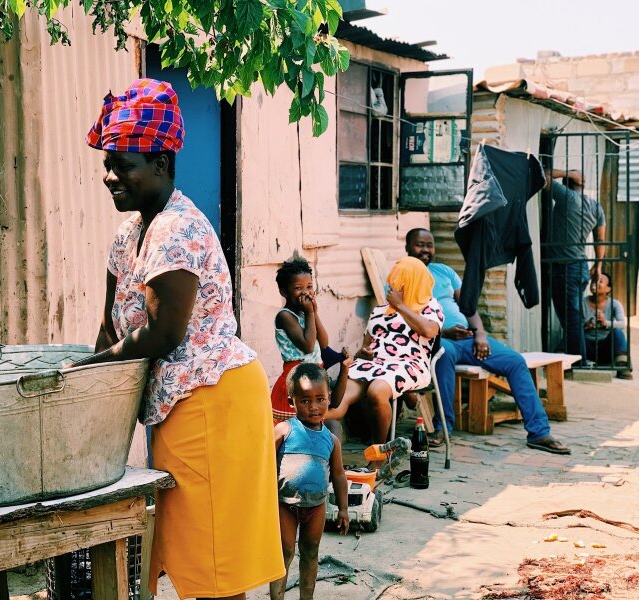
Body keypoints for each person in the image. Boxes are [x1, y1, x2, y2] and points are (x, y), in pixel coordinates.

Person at [79, 79, 284, 599]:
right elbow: (112, 326)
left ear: (162, 165)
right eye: (107, 164)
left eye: (123, 165)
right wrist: (89, 384)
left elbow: (163, 334)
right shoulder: (131, 232)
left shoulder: (178, 229)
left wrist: (98, 366)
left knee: (213, 567)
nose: (110, 176)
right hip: (178, 405)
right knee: (186, 553)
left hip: (212, 402)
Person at [405, 228, 571, 455]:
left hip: (467, 337)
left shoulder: (444, 272)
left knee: (514, 361)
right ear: (407, 248)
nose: (425, 250)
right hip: (437, 340)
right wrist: (442, 332)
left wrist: (480, 334)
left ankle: (539, 433)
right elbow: (402, 321)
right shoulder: (402, 277)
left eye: (429, 245)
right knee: (444, 355)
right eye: (419, 245)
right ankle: (444, 428)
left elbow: (469, 306)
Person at [325, 257, 444, 444]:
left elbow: (429, 331)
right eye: (392, 284)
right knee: (339, 399)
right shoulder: (380, 311)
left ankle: (379, 454)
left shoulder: (430, 308)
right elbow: (366, 344)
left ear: (414, 283)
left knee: (377, 391)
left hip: (409, 364)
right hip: (373, 364)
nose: (392, 289)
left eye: (399, 284)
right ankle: (293, 428)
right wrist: (362, 353)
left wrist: (401, 306)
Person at [270, 363, 349, 600]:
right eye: (305, 400)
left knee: (310, 551)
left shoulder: (331, 440)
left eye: (320, 399)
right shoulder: (284, 430)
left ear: (329, 398)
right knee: (284, 552)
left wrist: (344, 509)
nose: (314, 407)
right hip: (284, 503)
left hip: (316, 506)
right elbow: (264, 466)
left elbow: (338, 475)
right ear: (291, 400)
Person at [272, 258, 351, 426]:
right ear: (284, 292)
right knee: (296, 428)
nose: (306, 293)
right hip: (297, 378)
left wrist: (314, 312)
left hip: (314, 373)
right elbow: (308, 346)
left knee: (320, 422)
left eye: (309, 287)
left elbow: (323, 342)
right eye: (298, 288)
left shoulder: (306, 314)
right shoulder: (285, 316)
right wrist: (309, 314)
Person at [544, 169, 606, 362]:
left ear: (567, 184)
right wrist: (599, 265)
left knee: (571, 319)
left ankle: (579, 362)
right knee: (573, 318)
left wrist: (567, 172)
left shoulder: (567, 197)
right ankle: (578, 358)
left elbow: (541, 175)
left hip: (565, 268)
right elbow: (600, 239)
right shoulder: (596, 207)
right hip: (580, 267)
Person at [583, 272, 631, 378]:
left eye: (600, 281)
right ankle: (562, 359)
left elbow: (622, 324)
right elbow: (573, 323)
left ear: (608, 289)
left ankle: (622, 367)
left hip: (606, 348)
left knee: (618, 332)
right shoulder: (582, 302)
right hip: (586, 346)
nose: (595, 283)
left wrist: (606, 323)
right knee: (575, 332)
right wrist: (586, 325)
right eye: (594, 280)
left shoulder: (615, 304)